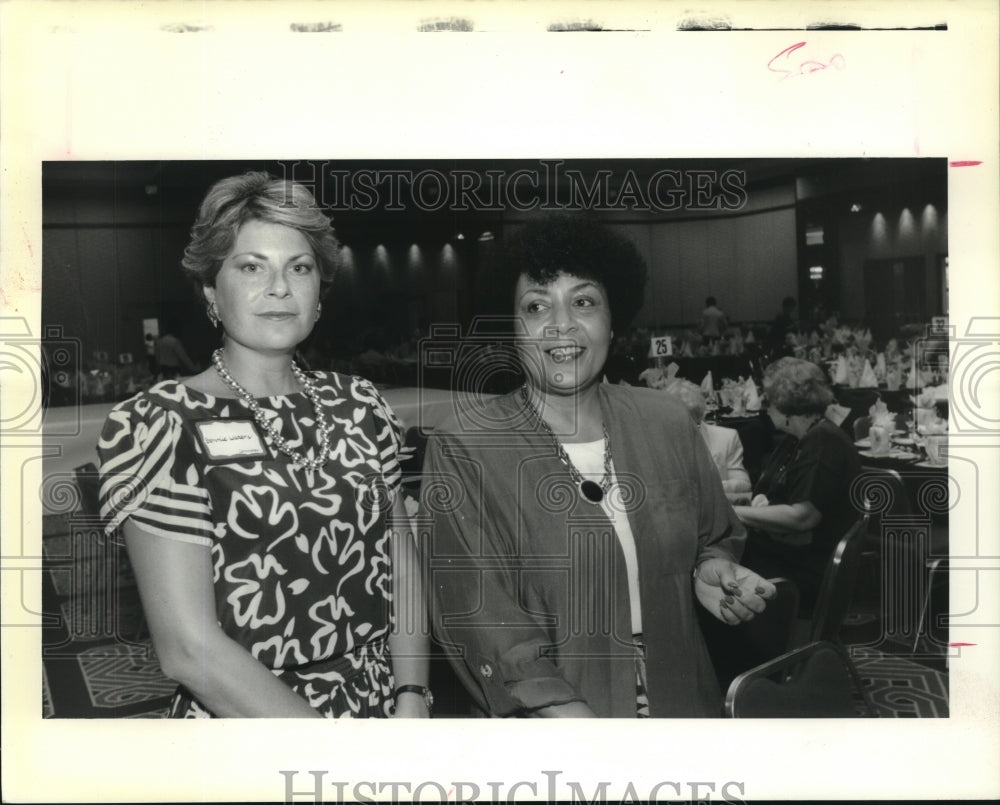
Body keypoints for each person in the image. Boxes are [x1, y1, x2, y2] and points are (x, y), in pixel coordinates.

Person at [97, 172, 429, 718]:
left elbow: (402, 564)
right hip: (247, 723)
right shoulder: (162, 423)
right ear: (211, 290)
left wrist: (412, 694)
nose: (279, 288)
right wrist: (337, 762)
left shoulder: (363, 406)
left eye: (298, 268)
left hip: (382, 708)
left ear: (319, 290)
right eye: (252, 267)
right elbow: (187, 649)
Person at [422, 215, 775, 718]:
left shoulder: (667, 421)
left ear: (613, 320)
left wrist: (708, 567)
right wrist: (560, 710)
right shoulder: (467, 447)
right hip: (554, 718)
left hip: (683, 698)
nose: (561, 323)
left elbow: (712, 534)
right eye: (536, 306)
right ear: (513, 328)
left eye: (583, 302)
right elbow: (476, 611)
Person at [732, 357, 863, 615]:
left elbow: (802, 517)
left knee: (718, 569)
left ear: (785, 404)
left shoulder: (822, 443)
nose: (765, 409)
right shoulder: (800, 438)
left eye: (768, 401)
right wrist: (725, 498)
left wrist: (734, 512)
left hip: (808, 568)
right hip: (793, 555)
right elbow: (775, 494)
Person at [663, 379, 752, 503]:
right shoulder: (655, 441)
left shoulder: (726, 437)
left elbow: (744, 484)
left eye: (694, 425)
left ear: (702, 416)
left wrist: (707, 486)